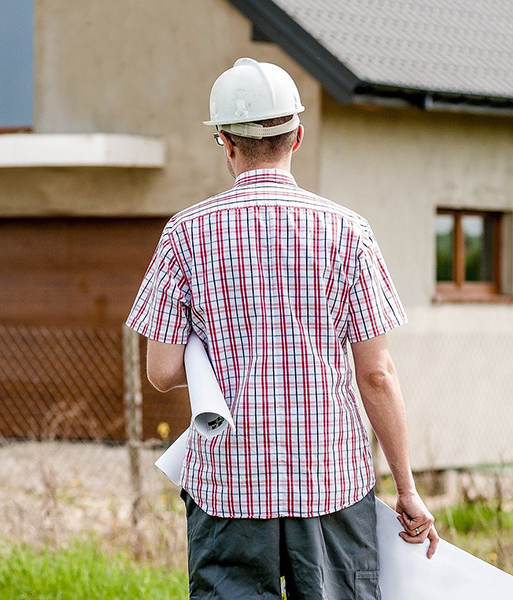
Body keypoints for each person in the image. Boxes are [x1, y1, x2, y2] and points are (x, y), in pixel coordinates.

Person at [126, 57, 437, 600]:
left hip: (227, 490)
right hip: (330, 485)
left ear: (225, 142)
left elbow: (161, 370)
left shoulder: (184, 234)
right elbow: (378, 375)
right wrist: (406, 489)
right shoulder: (348, 232)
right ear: (297, 135)